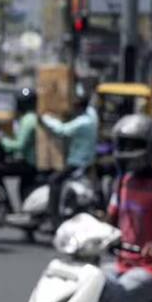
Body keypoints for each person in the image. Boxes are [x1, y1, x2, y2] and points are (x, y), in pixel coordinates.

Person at [100, 114, 152, 302]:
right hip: (122, 263)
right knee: (87, 280)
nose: (126, 150)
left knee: (111, 294)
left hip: (151, 271)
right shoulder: (123, 182)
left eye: (133, 145)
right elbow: (110, 220)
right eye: (123, 144)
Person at [40, 92, 98, 228]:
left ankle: (54, 217)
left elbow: (62, 130)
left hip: (78, 161)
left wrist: (46, 118)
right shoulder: (92, 115)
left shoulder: (83, 122)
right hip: (86, 160)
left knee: (54, 181)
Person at [0, 88, 38, 200]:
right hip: (27, 161)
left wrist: (2, 140)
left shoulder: (28, 120)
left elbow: (19, 145)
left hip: (29, 163)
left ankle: (3, 199)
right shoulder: (28, 118)